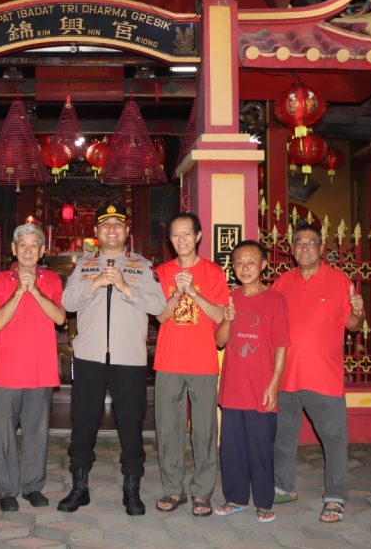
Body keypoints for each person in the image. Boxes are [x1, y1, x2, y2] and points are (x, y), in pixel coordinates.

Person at [59, 201, 166, 516]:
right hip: (89, 357)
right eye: (105, 225)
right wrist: (94, 284)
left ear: (127, 231)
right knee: (83, 422)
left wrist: (125, 286)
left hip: (128, 358)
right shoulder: (83, 265)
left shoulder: (141, 266)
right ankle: (79, 487)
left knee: (131, 424)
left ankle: (132, 489)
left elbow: (159, 306)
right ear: (96, 231)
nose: (112, 230)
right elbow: (68, 302)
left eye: (117, 224)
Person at [271, 222, 365, 523]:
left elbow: (353, 326)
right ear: (292, 249)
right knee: (282, 437)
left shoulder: (339, 281)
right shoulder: (282, 283)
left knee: (333, 439)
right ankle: (282, 487)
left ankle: (335, 497)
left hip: (323, 377)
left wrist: (358, 312)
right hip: (285, 376)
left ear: (321, 247)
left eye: (311, 242)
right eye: (299, 242)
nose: (305, 248)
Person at [152, 212, 230, 517]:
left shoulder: (213, 272)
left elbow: (220, 316)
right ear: (170, 239)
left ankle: (202, 492)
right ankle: (173, 489)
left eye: (187, 233)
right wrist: (177, 292)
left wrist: (194, 292)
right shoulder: (162, 272)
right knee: (168, 428)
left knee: (205, 430)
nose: (181, 239)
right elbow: (160, 316)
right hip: (169, 360)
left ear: (198, 236)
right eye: (176, 234)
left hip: (202, 361)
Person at [0, 224, 66, 511]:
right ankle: (6, 490)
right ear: (13, 249)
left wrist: (36, 291)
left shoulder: (52, 280)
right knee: (4, 434)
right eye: (23, 245)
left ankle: (32, 486)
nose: (28, 250)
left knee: (37, 432)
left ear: (42, 251)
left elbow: (60, 318)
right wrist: (20, 290)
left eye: (34, 245)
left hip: (41, 369)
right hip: (7, 372)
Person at [213, 240, 289, 524]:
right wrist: (227, 320)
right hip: (233, 387)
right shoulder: (231, 298)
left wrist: (274, 384)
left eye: (251, 262)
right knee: (232, 448)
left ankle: (264, 502)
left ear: (263, 266)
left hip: (261, 388)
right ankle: (235, 498)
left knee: (261, 448)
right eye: (239, 263)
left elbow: (281, 346)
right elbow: (219, 341)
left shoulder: (275, 300)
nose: (245, 268)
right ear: (233, 267)